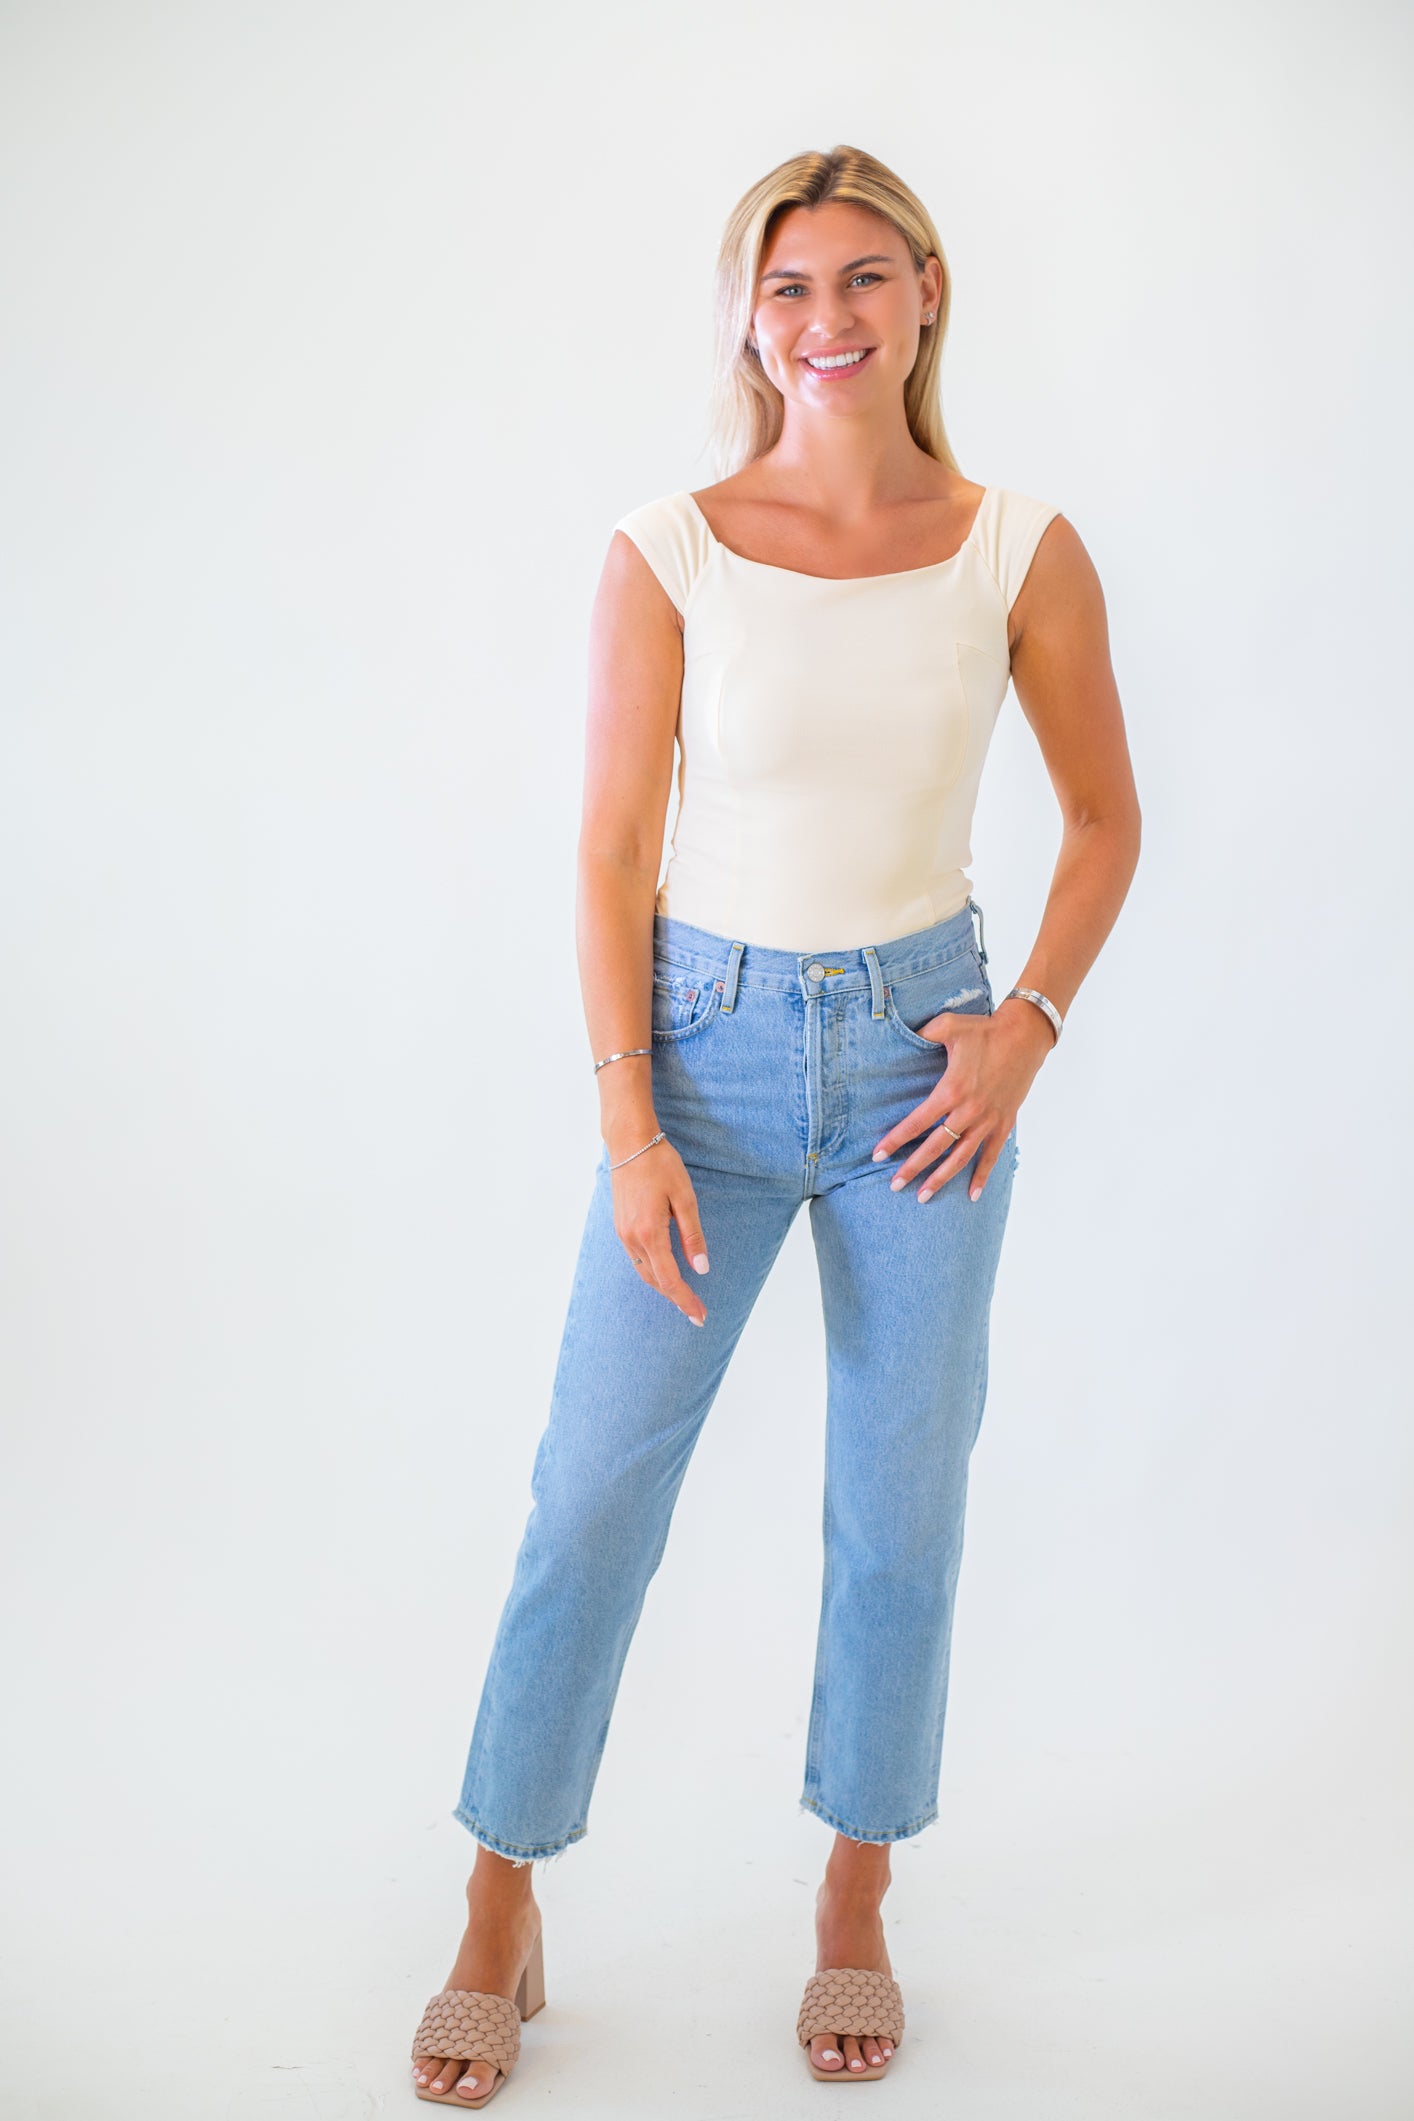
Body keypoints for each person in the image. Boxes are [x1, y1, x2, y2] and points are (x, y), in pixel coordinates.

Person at [410, 142, 1141, 2107]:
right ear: (748, 315)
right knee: (590, 1491)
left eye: (863, 277)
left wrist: (1022, 1028)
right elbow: (606, 850)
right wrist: (627, 1123)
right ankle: (498, 1895)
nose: (827, 318)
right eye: (789, 284)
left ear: (925, 293)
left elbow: (1101, 819)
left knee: (899, 1504)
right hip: (702, 1060)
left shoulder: (1015, 547)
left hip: (924, 1068)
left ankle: (852, 1888)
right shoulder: (669, 546)